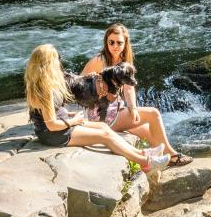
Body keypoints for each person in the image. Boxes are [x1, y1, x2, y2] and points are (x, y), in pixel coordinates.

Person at [24, 44, 169, 171]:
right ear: (48, 63)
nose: (59, 61)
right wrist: (74, 121)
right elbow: (51, 125)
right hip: (54, 134)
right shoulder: (44, 89)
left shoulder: (45, 82)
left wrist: (68, 114)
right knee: (104, 136)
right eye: (57, 58)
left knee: (103, 127)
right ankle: (146, 163)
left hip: (61, 125)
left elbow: (51, 111)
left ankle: (143, 153)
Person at [82, 23, 193, 166]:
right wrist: (94, 89)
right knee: (153, 114)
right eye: (111, 42)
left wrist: (133, 108)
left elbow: (129, 88)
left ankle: (159, 161)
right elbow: (79, 84)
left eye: (119, 43)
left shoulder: (123, 61)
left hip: (115, 109)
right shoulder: (99, 60)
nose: (115, 46)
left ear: (125, 43)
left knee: (147, 130)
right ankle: (171, 155)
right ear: (106, 42)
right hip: (101, 116)